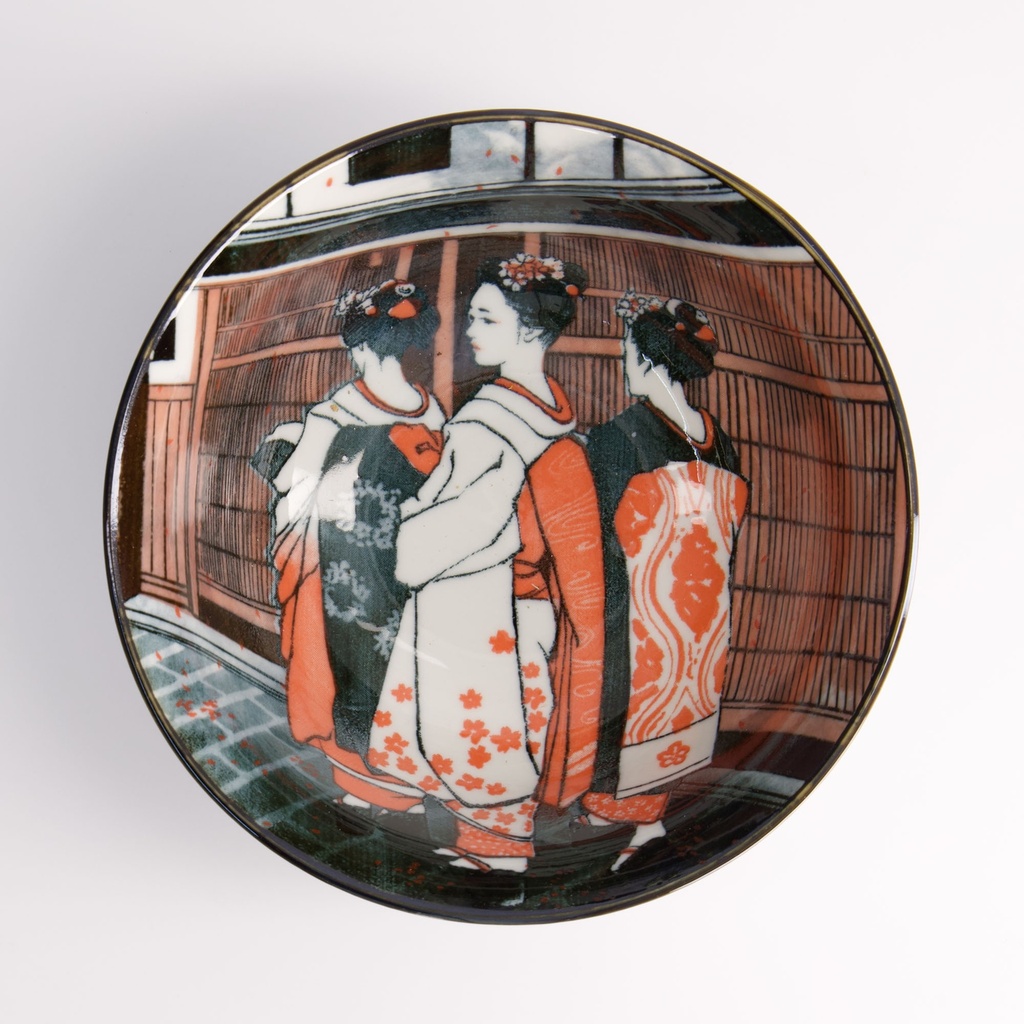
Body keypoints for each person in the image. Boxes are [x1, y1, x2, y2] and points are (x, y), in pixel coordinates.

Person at [368, 254, 604, 872]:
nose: (469, 331)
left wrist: (405, 531)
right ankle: (493, 844)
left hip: (491, 598)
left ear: (530, 329)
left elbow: (458, 526)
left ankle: (498, 853)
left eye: (485, 319)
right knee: (519, 722)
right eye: (472, 317)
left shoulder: (488, 422)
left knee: (486, 727)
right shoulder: (552, 408)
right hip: (535, 601)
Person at [253, 279, 445, 815]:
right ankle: (407, 774)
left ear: (359, 347)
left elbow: (293, 481)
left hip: (350, 562)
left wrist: (282, 443)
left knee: (354, 667)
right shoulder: (430, 410)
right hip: (410, 554)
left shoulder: (337, 411)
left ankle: (369, 785)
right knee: (404, 663)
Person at [581, 290, 748, 870]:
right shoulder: (717, 438)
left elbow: (596, 529)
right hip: (699, 604)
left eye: (627, 352)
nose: (623, 363)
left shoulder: (622, 435)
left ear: (649, 359)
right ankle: (621, 809)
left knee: (625, 701)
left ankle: (641, 821)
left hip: (636, 601)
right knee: (679, 698)